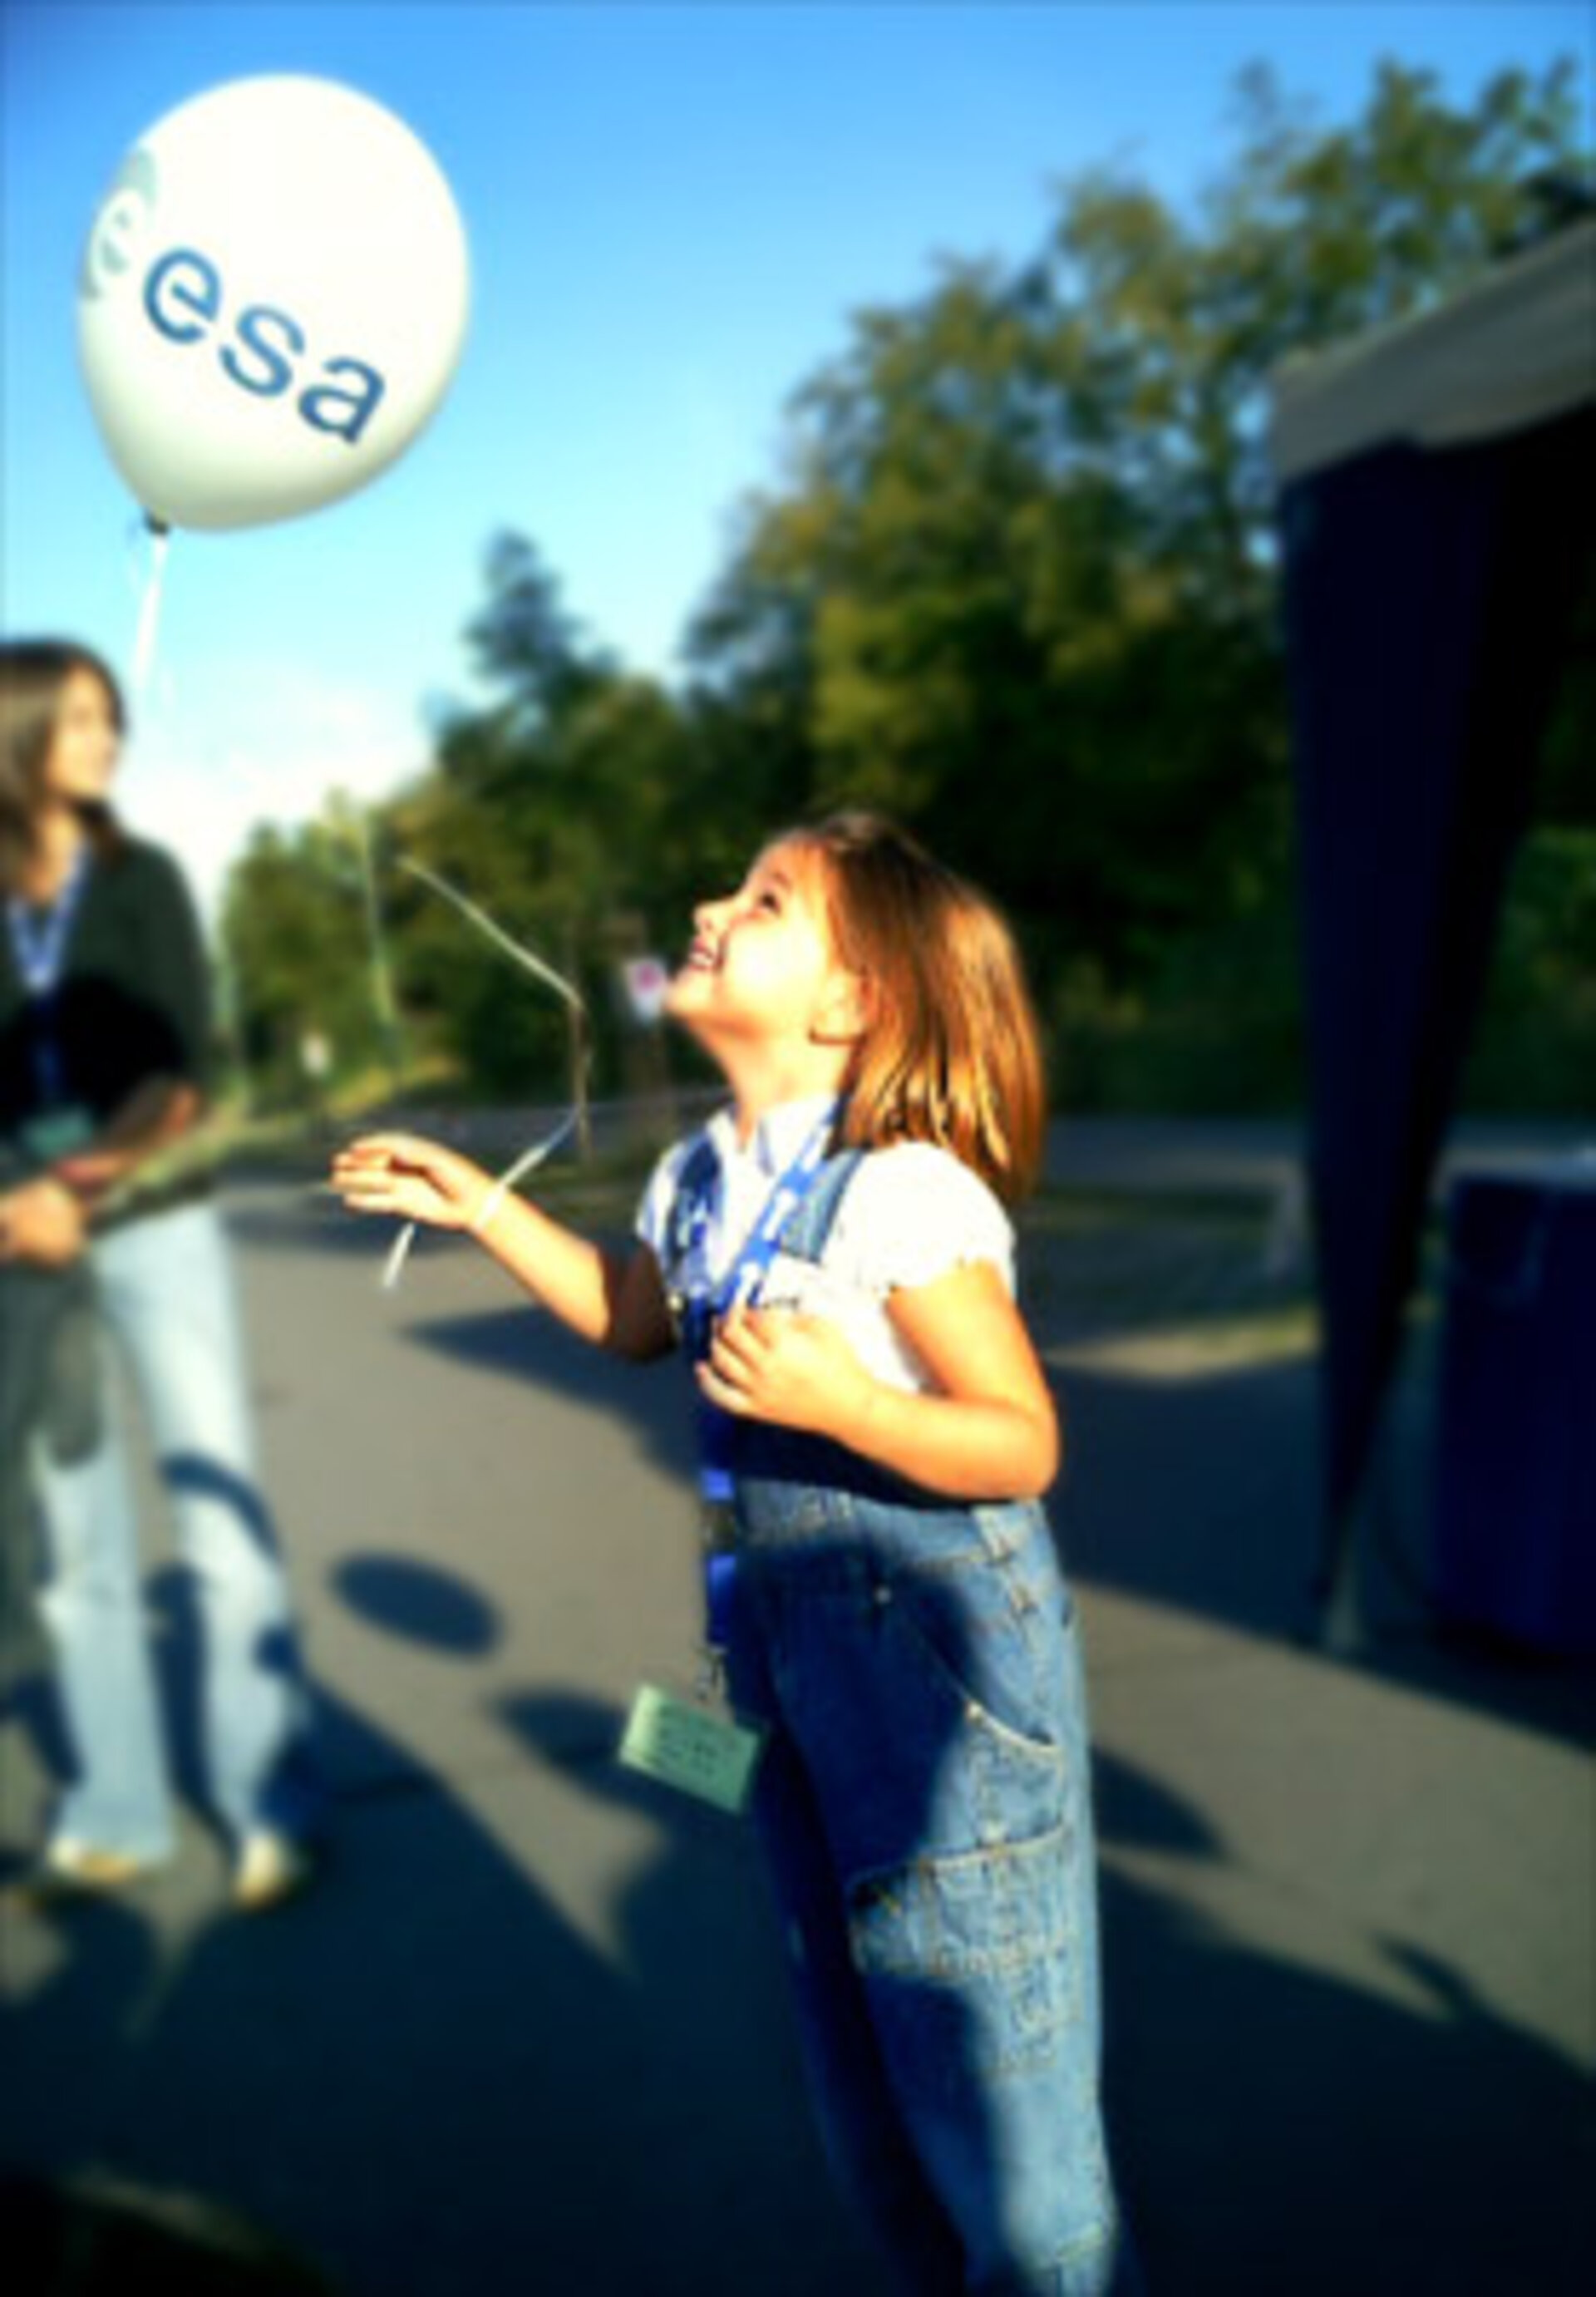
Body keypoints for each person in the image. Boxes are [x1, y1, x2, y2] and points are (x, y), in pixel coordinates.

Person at [332, 811, 1140, 2295]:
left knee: (999, 2112)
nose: (712, 902)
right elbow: (633, 1319)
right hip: (774, 1654)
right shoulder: (704, 1177)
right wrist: (480, 1201)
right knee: (865, 2097)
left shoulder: (899, 1191)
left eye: (765, 901)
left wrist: (849, 1402)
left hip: (937, 1668)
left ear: (851, 1005)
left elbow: (1021, 1440)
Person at [0, 638, 323, 1911]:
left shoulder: (145, 886)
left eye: (110, 717)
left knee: (215, 1510)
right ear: (19, 734)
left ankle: (267, 1808)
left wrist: (76, 1186)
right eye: (79, 718)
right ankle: (122, 1814)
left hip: (154, 1220)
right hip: (25, 1255)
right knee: (75, 1541)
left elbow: (182, 1075)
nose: (106, 738)